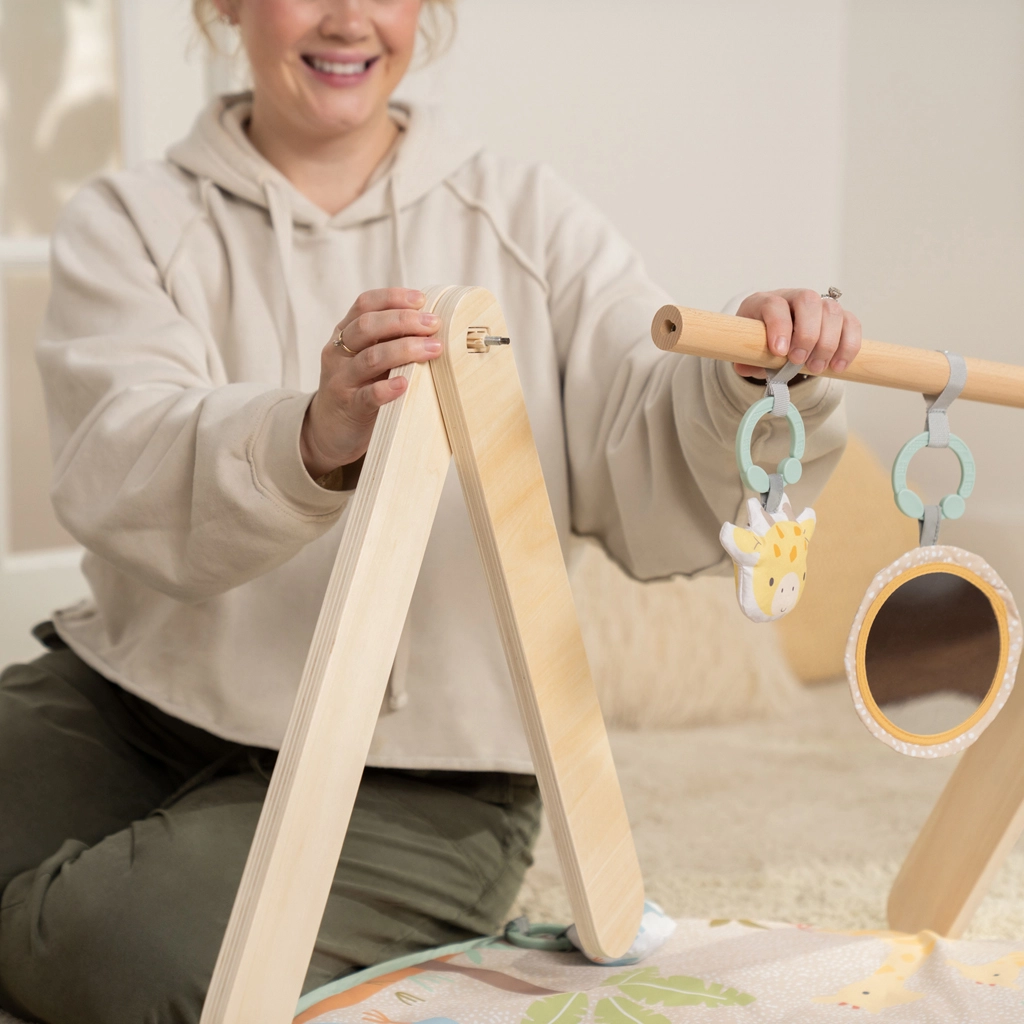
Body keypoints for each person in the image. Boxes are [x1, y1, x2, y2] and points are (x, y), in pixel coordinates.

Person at [0, 2, 861, 1022]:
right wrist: (309, 435)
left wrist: (748, 381)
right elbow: (119, 454)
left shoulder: (526, 218)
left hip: (418, 773)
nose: (348, 20)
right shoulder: (132, 217)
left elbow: (646, 438)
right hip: (144, 698)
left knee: (109, 947)